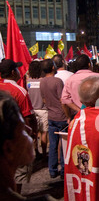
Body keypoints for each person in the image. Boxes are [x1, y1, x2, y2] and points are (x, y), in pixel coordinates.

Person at [0, 58, 37, 193]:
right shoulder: (19, 91)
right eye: (16, 68)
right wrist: (32, 134)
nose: (18, 71)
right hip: (15, 140)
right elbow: (28, 117)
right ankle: (16, 200)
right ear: (12, 72)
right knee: (19, 174)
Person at [40, 59, 69, 179]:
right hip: (61, 117)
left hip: (51, 115)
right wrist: (68, 116)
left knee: (52, 145)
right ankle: (63, 170)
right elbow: (62, 100)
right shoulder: (57, 81)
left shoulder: (42, 82)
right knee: (63, 145)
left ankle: (52, 170)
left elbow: (44, 100)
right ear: (53, 67)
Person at [27, 60, 48, 159]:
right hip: (43, 110)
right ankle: (44, 153)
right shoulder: (43, 82)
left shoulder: (28, 82)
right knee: (44, 132)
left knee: (34, 133)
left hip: (32, 110)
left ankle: (36, 151)